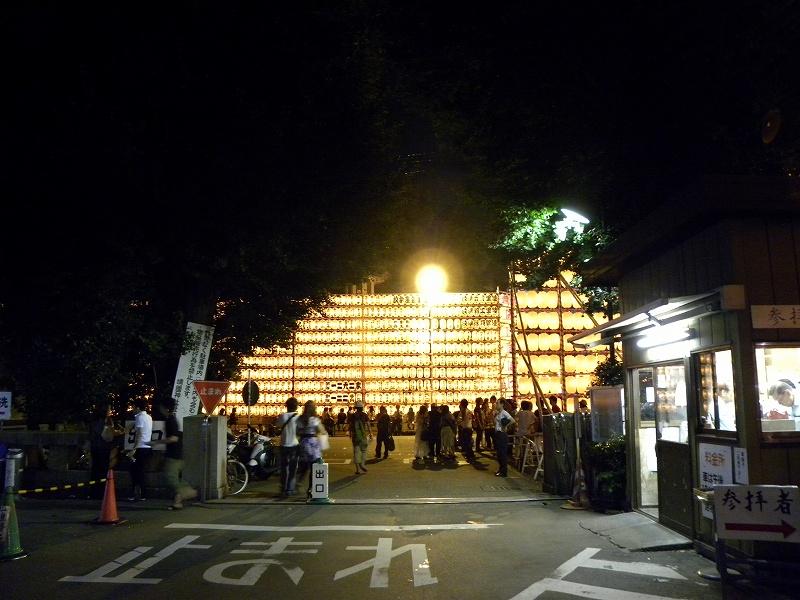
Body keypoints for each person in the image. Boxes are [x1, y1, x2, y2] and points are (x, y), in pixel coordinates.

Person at [156, 397, 197, 510]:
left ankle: (190, 492)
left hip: (174, 454)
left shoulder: (171, 420)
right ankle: (178, 502)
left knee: (171, 477)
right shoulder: (170, 419)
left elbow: (174, 438)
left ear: (165, 408)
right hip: (175, 453)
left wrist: (157, 442)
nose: (159, 408)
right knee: (173, 477)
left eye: (161, 406)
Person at [88, 404, 119, 499]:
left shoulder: (93, 421)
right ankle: (101, 492)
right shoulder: (105, 422)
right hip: (103, 448)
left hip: (95, 447)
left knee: (95, 470)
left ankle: (93, 492)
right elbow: (107, 436)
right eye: (109, 409)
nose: (110, 411)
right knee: (102, 470)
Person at [296, 400, 326, 499]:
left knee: (304, 465)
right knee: (314, 467)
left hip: (303, 442)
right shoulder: (314, 419)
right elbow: (321, 431)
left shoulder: (300, 419)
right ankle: (310, 488)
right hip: (313, 443)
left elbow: (297, 431)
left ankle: (299, 482)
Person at [126, 398, 153, 502]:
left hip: (140, 448)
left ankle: (135, 494)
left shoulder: (139, 418)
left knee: (134, 471)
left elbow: (139, 434)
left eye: (133, 407)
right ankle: (143, 494)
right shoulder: (149, 417)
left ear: (137, 408)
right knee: (141, 471)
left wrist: (134, 449)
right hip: (147, 448)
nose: (132, 409)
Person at [276, 396, 301, 496]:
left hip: (284, 445)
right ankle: (290, 489)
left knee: (284, 468)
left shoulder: (283, 416)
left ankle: (283, 488)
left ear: (287, 406)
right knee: (293, 468)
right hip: (294, 444)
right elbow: (300, 430)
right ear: (296, 407)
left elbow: (278, 425)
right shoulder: (298, 417)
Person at [494, 398, 516, 477]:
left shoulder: (504, 412)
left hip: (502, 434)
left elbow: (512, 420)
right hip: (498, 433)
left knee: (502, 453)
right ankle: (501, 469)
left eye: (497, 403)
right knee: (499, 453)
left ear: (502, 404)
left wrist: (505, 426)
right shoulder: (498, 413)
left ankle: (504, 471)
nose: (496, 405)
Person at [348, 400, 372, 474]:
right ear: (362, 408)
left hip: (355, 436)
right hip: (363, 435)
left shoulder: (352, 416)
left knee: (356, 451)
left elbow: (350, 426)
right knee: (364, 451)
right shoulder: (364, 415)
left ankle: (358, 469)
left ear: (356, 408)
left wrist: (350, 434)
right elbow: (368, 425)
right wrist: (370, 433)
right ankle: (362, 464)